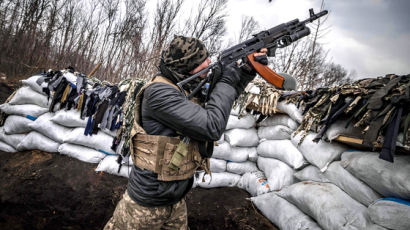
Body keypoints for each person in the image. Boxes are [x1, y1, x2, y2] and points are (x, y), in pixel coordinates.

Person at [104, 35, 268, 230]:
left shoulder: (185, 88)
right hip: (145, 207)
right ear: (185, 67)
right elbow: (211, 126)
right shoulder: (159, 92)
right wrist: (226, 78)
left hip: (176, 202)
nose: (209, 63)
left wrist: (246, 71)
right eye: (202, 61)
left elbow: (223, 98)